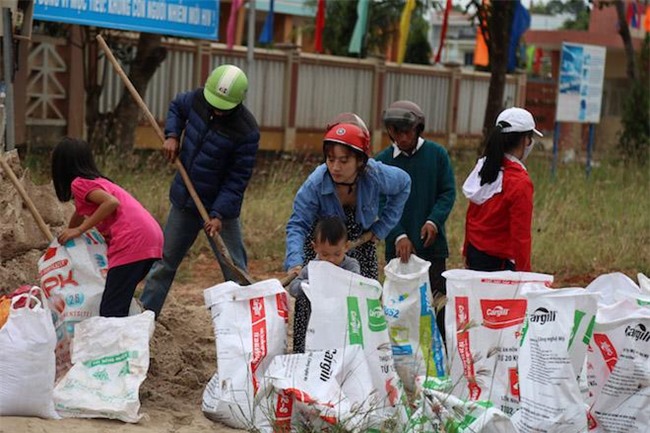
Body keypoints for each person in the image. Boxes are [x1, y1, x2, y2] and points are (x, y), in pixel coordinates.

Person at [140, 64, 260, 317]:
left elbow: (237, 179)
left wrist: (218, 214)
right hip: (185, 201)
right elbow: (177, 107)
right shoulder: (197, 99)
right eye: (214, 102)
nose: (216, 109)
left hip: (220, 211)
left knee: (235, 270)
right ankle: (144, 318)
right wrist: (172, 134)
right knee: (164, 264)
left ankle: (245, 324)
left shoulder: (246, 131)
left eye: (222, 106)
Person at [285, 120, 411, 351]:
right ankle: (307, 358)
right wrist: (294, 262)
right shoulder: (316, 183)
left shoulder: (376, 175)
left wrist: (381, 228)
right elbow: (297, 224)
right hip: (324, 242)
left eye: (344, 161)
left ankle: (357, 356)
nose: (335, 167)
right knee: (310, 302)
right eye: (331, 159)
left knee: (363, 299)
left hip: (360, 241)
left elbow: (404, 184)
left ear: (360, 161)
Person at [52, 137, 163, 317]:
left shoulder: (78, 183)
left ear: (61, 165)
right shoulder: (98, 182)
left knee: (111, 311)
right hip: (151, 237)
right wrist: (67, 236)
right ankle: (127, 340)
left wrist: (79, 230)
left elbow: (111, 203)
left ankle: (119, 345)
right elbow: (80, 213)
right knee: (119, 300)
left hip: (132, 241)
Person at [375, 100, 456, 339]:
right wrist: (398, 235)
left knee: (437, 302)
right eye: (395, 132)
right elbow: (379, 202)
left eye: (406, 132)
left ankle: (439, 354)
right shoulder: (382, 162)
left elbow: (447, 192)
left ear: (418, 129)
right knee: (399, 308)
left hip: (432, 248)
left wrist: (434, 221)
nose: (401, 137)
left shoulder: (437, 155)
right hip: (397, 252)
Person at [462, 107, 543, 272]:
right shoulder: (519, 182)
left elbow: (472, 215)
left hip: (474, 254)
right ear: (526, 140)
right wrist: (525, 275)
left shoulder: (484, 167)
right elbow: (521, 237)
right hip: (499, 264)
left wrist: (466, 250)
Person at [288, 216, 361, 349]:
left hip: (342, 324)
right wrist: (311, 285)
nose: (331, 260)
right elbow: (293, 288)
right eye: (325, 255)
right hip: (317, 325)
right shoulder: (313, 267)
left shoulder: (350, 265)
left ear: (346, 247)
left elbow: (355, 285)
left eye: (337, 254)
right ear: (315, 247)